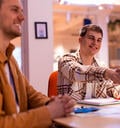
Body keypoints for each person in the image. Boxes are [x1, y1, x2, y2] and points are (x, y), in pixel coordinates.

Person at [0, 0, 76, 128]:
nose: (22, 17)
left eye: (22, 12)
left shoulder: (10, 58)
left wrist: (54, 103)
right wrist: (49, 112)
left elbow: (30, 95)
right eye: (14, 10)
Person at [57, 24, 120, 101]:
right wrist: (106, 73)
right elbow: (78, 72)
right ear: (80, 40)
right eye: (91, 38)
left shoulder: (101, 65)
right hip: (71, 111)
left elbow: (111, 87)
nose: (95, 43)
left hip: (96, 112)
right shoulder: (65, 60)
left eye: (99, 40)